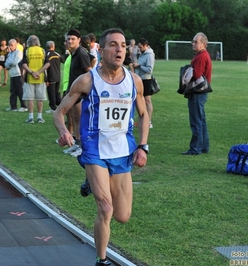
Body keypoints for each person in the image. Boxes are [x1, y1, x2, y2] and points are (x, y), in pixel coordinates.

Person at [53, 27, 149, 266]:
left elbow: (144, 114)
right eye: (114, 45)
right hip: (95, 151)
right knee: (105, 209)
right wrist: (64, 131)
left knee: (122, 216)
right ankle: (101, 260)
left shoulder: (134, 81)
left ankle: (92, 181)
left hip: (122, 152)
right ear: (102, 49)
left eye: (123, 45)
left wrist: (143, 146)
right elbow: (59, 112)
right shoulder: (87, 80)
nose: (119, 50)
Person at [62, 29, 92, 157]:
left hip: (81, 94)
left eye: (73, 39)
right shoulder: (73, 54)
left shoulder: (81, 54)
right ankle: (76, 144)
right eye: (68, 39)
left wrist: (86, 91)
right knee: (75, 119)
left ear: (79, 40)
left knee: (81, 119)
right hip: (73, 92)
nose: (70, 41)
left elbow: (89, 72)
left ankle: (82, 147)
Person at [182, 32, 212, 155]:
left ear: (203, 44)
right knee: (201, 120)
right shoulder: (203, 55)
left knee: (196, 121)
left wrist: (186, 72)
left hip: (197, 92)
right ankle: (204, 146)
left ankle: (196, 148)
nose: (193, 44)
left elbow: (196, 75)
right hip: (201, 92)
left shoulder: (201, 56)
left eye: (196, 42)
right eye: (193, 42)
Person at [21, 35, 50, 124]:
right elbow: (47, 64)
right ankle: (40, 117)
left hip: (29, 78)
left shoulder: (27, 50)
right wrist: (39, 72)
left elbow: (24, 64)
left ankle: (30, 118)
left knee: (30, 99)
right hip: (40, 78)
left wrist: (32, 72)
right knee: (39, 99)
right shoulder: (42, 50)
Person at [133, 38, 155, 129]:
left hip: (146, 79)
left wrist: (139, 66)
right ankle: (141, 120)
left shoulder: (149, 55)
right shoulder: (142, 54)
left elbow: (149, 70)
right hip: (140, 79)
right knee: (140, 101)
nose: (139, 49)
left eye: (140, 47)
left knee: (147, 101)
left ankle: (148, 122)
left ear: (145, 45)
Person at [5, 39, 27, 112]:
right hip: (12, 74)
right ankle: (13, 107)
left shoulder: (19, 52)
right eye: (9, 45)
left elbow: (15, 62)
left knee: (20, 90)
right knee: (13, 91)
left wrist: (9, 64)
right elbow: (6, 63)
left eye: (11, 45)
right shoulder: (9, 54)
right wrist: (9, 64)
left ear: (15, 45)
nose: (10, 47)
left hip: (18, 74)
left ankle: (24, 106)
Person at [44, 41, 64, 113]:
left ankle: (53, 108)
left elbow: (45, 68)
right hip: (58, 76)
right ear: (53, 46)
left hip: (51, 76)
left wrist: (46, 79)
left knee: (51, 92)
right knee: (56, 92)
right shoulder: (57, 54)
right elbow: (63, 60)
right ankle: (60, 104)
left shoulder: (46, 55)